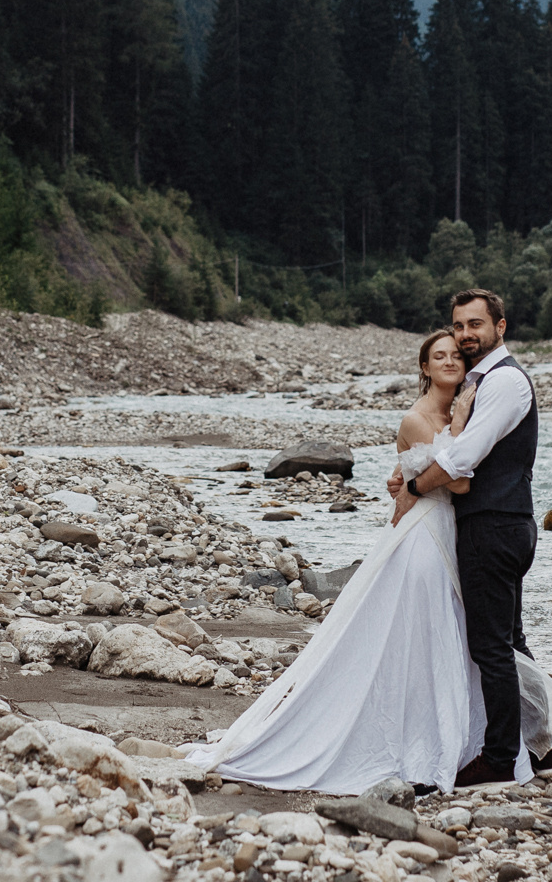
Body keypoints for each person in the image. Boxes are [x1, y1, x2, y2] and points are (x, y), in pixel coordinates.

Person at [185, 328, 493, 791]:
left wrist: (449, 437)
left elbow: (431, 475)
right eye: (439, 356)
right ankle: (418, 739)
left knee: (449, 629)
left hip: (448, 529)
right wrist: (458, 428)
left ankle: (461, 732)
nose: (450, 362)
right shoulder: (418, 418)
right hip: (426, 535)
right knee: (426, 630)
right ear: (424, 368)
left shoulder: (460, 410)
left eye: (455, 355)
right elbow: (460, 481)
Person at [387, 287, 543, 786]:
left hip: (494, 526)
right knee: (509, 642)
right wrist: (406, 471)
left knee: (492, 648)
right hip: (495, 524)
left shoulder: (504, 383)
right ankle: (540, 748)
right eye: (458, 326)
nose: (465, 335)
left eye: (475, 325)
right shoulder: (476, 384)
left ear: (500, 327)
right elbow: (440, 449)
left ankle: (499, 758)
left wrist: (412, 484)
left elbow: (459, 461)